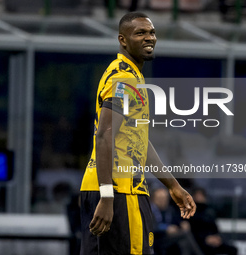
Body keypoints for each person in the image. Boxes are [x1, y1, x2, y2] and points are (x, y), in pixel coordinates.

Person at [80, 12, 196, 255]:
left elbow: (138, 142)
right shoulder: (125, 79)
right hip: (120, 190)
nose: (149, 38)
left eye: (152, 32)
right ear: (123, 40)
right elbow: (104, 135)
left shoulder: (130, 76)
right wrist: (108, 195)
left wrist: (173, 185)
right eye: (140, 33)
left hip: (114, 189)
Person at [189, 187, 237, 255]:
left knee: (232, 249)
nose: (199, 198)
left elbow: (215, 228)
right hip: (200, 242)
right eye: (197, 195)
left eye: (201, 195)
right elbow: (193, 231)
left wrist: (218, 238)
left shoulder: (209, 212)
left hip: (213, 239)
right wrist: (206, 239)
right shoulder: (190, 213)